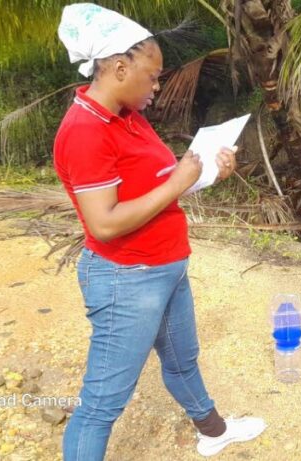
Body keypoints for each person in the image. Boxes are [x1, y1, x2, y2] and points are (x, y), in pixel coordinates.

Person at [53, 4, 265, 459]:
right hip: (126, 278)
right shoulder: (86, 130)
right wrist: (177, 182)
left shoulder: (126, 116)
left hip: (163, 266)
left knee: (182, 360)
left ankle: (213, 430)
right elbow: (105, 223)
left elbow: (154, 187)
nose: (157, 85)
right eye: (152, 76)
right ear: (119, 67)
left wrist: (206, 173)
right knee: (101, 404)